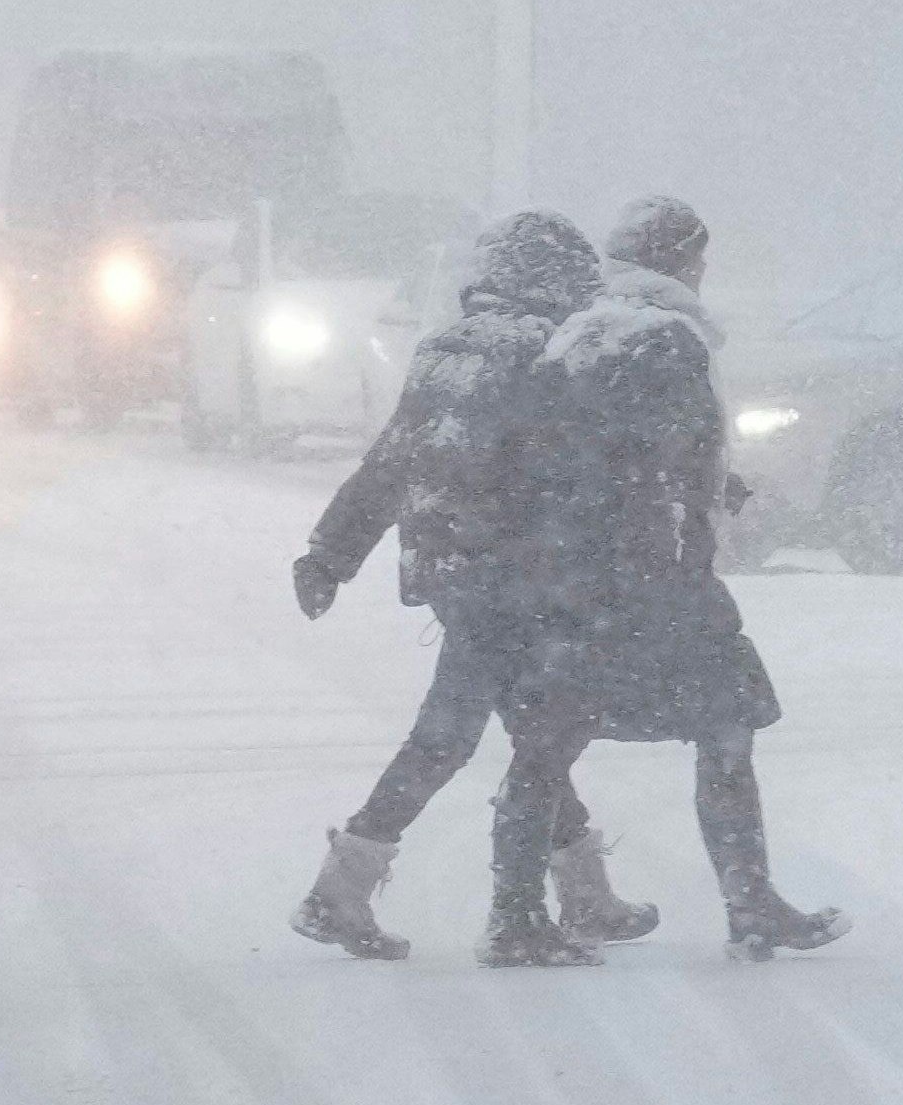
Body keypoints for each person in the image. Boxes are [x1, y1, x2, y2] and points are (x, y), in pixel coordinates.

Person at [498, 196, 846, 964]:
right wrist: (690, 534)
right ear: (684, 261)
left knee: (550, 741)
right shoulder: (670, 338)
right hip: (654, 581)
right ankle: (750, 902)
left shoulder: (578, 332)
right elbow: (662, 466)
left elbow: (576, 457)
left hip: (567, 576)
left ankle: (516, 911)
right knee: (726, 727)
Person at [287, 210, 639, 964]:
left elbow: (391, 464)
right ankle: (351, 892)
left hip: (456, 575)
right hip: (518, 578)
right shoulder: (543, 356)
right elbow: (575, 472)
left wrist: (329, 553)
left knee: (526, 735)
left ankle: (584, 893)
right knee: (464, 740)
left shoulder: (443, 351)